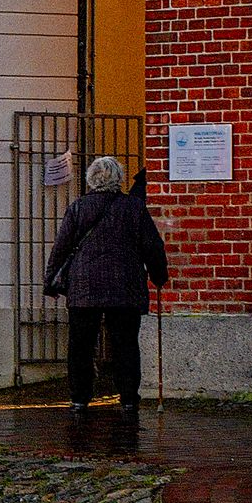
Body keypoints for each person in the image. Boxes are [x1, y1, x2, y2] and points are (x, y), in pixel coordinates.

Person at [44, 155, 168, 416]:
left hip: (84, 288)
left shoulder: (78, 208)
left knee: (81, 345)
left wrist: (50, 282)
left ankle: (79, 398)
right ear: (119, 179)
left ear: (91, 180)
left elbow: (61, 247)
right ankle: (128, 398)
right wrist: (159, 275)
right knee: (125, 345)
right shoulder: (133, 208)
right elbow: (152, 246)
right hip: (125, 287)